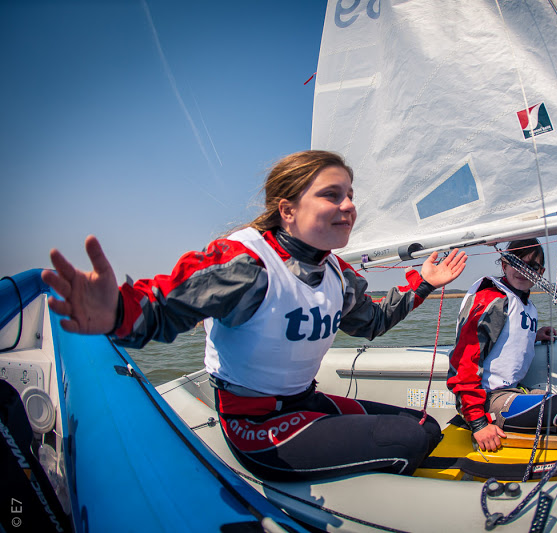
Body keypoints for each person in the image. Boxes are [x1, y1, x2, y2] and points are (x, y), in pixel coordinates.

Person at [42, 150, 467, 481]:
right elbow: (166, 305)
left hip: (305, 403)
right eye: (332, 195)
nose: (349, 205)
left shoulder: (336, 273)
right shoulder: (247, 264)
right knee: (409, 439)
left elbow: (371, 322)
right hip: (254, 424)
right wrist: (117, 311)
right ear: (287, 210)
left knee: (426, 425)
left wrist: (424, 284)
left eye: (351, 195)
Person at [446, 239, 557, 452]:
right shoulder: (493, 298)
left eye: (532, 266)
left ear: (540, 272)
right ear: (504, 265)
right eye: (516, 263)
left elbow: (507, 339)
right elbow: (465, 360)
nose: (523, 271)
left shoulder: (525, 304)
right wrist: (478, 423)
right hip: (486, 400)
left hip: (513, 391)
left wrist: (534, 335)